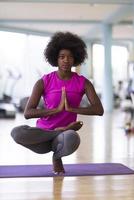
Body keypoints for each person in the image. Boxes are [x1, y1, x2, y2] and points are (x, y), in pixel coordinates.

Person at [11, 32, 104, 175]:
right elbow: (28, 113)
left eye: (70, 57)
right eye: (62, 57)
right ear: (56, 58)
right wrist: (55, 110)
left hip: (63, 139)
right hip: (42, 137)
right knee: (17, 132)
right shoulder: (44, 81)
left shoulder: (83, 82)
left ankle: (57, 156)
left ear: (75, 59)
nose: (66, 60)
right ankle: (57, 132)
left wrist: (72, 109)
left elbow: (99, 110)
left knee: (73, 137)